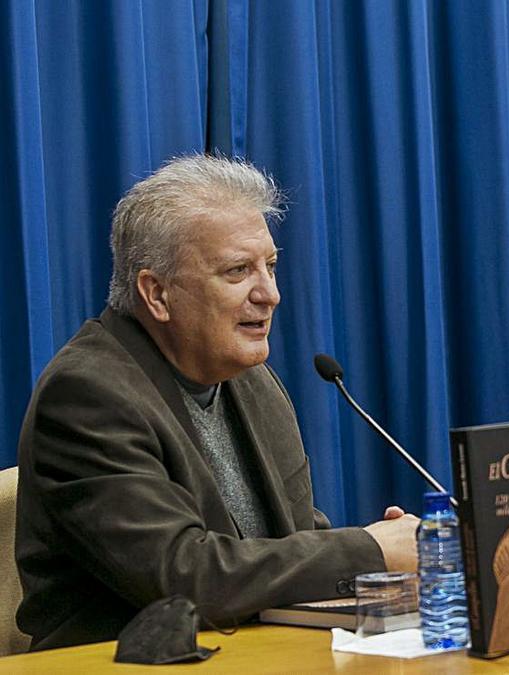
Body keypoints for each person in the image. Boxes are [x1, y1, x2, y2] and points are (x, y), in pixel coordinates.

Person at [15, 155, 419, 650]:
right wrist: (369, 551)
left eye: (270, 266)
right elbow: (184, 579)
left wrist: (388, 574)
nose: (269, 293)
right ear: (157, 293)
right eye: (237, 271)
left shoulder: (254, 384)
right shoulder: (86, 396)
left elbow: (290, 544)